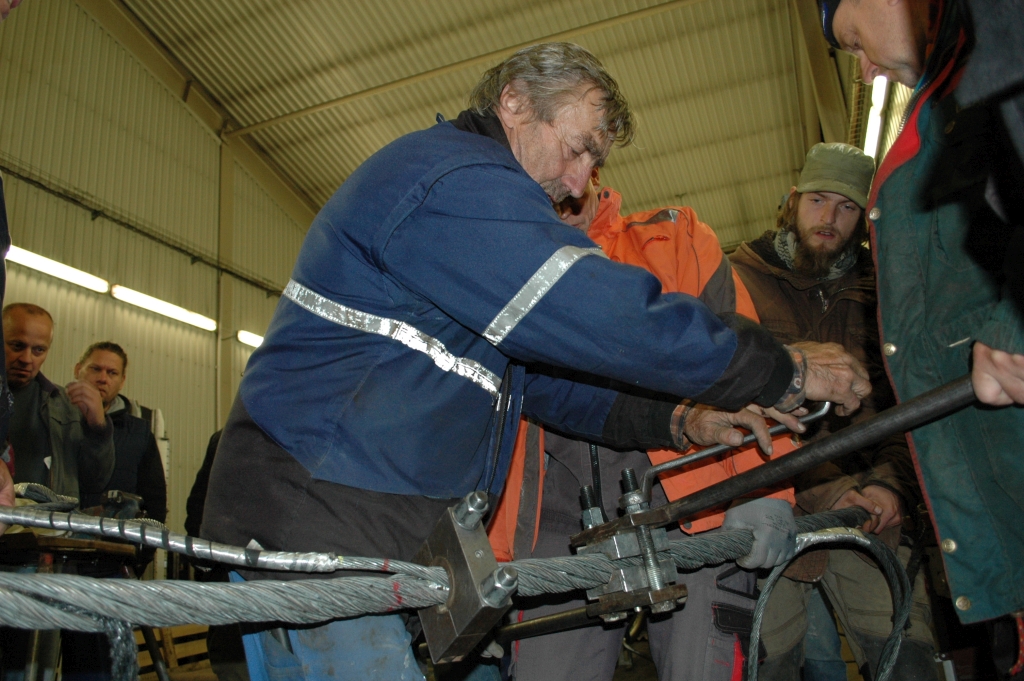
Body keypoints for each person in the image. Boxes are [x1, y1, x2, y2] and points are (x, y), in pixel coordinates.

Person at [200, 42, 870, 680]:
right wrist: (779, 369)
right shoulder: (455, 181)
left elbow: (545, 387)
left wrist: (680, 421)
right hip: (318, 519)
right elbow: (599, 311)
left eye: (594, 162)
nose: (578, 183)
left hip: (362, 526)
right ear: (515, 101)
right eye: (577, 149)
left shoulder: (471, 209)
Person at [496, 169, 810, 681]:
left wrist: (766, 486)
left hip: (691, 502)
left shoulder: (675, 237)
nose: (560, 192)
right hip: (552, 515)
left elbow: (746, 362)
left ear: (592, 169)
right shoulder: (505, 274)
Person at [820, 0, 1024, 627]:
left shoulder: (995, 50)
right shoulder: (946, 93)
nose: (865, 72)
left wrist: (1011, 327)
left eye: (854, 41)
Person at [731, 143, 938, 680]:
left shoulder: (886, 289)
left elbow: (907, 404)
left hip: (870, 507)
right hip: (771, 503)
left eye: (846, 207)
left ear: (864, 218)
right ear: (792, 201)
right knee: (771, 662)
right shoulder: (737, 277)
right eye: (818, 200)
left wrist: (892, 485)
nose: (829, 218)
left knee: (908, 656)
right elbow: (731, 401)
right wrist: (823, 488)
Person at [3, 303, 114, 500]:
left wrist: (98, 429)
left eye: (39, 350)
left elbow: (94, 481)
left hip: (45, 518)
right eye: (17, 346)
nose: (27, 358)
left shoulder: (66, 406)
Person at [72, 341, 167, 526]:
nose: (103, 378)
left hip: (116, 540)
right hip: (59, 535)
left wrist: (142, 542)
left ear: (122, 381)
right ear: (78, 370)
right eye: (95, 369)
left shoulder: (139, 434)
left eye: (112, 373)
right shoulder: (57, 421)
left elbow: (155, 502)